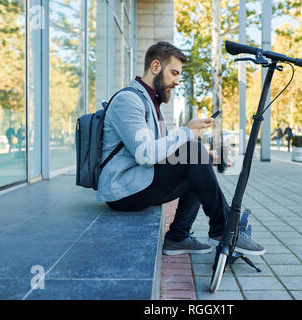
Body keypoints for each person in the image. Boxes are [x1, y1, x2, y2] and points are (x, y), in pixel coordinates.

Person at [98, 41, 264, 256]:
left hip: (137, 181)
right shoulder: (128, 100)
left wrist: (207, 157)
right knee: (193, 151)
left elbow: (165, 151)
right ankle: (225, 230)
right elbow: (146, 154)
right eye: (174, 73)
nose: (177, 81)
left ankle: (178, 237)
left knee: (196, 158)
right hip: (121, 190)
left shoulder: (150, 102)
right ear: (155, 67)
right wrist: (187, 133)